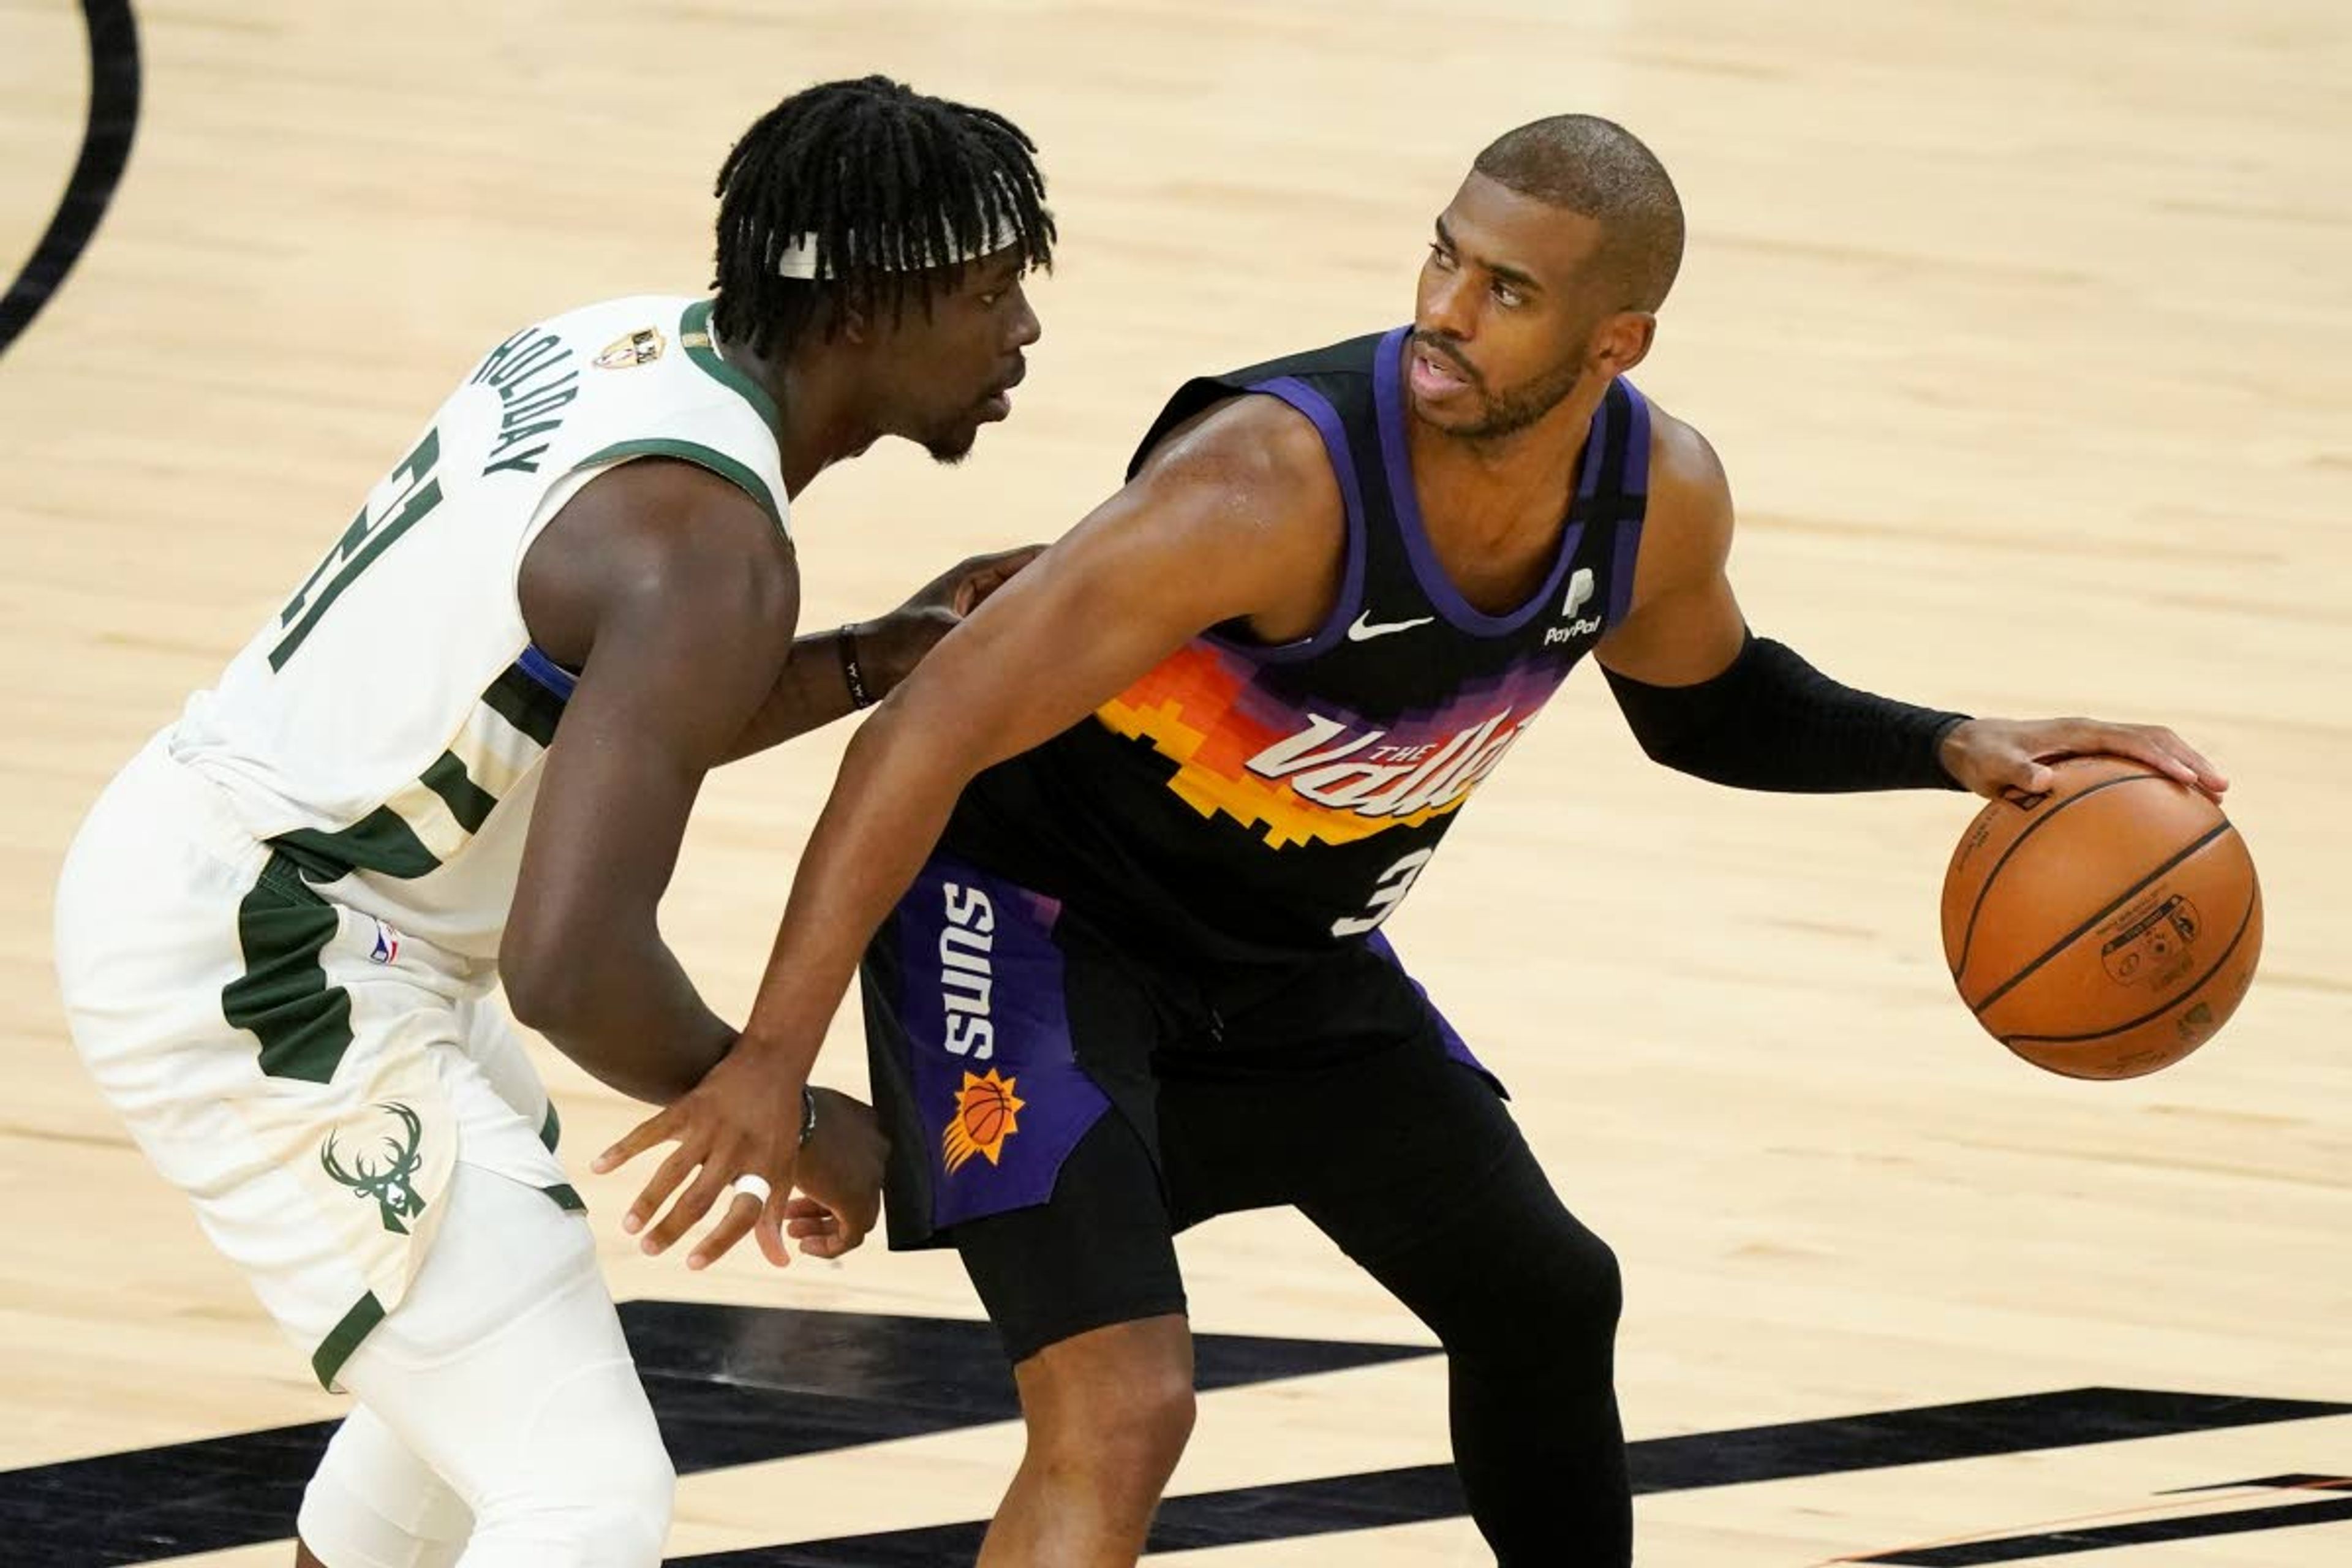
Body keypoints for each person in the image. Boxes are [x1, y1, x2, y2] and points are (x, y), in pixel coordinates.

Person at [600, 114, 2228, 1566]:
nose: (1447, 311)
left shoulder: (1655, 500)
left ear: (1617, 339)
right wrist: (769, 1056)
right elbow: (926, 726)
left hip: (1288, 969)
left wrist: (1956, 747)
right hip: (1034, 939)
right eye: (1446, 261)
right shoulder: (1268, 479)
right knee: (1126, 1413)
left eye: (1509, 291)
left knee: (1544, 1294)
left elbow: (1710, 708)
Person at [52, 75, 1050, 1568]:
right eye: (987, 292)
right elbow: (573, 963)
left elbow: (604, 712)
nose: (1022, 329)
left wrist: (880, 653)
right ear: (861, 309)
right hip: (277, 955)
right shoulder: (707, 548)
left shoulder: (624, 344)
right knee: (583, 1494)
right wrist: (779, 1107)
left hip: (282, 884)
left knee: (446, 1441)